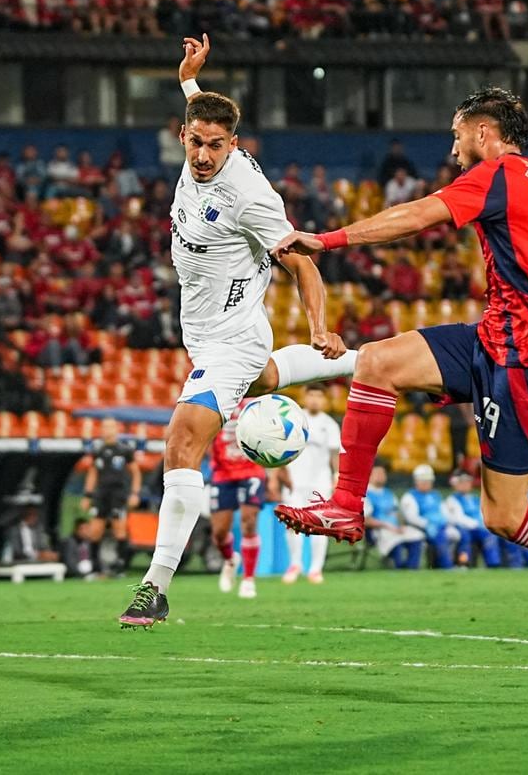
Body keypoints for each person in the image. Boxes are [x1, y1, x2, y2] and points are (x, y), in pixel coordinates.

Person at [273, 86, 528, 650]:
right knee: (376, 361)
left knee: (504, 516)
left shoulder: (500, 174)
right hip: (491, 339)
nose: (453, 147)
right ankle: (346, 506)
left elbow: (418, 215)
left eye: (457, 134)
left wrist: (327, 239)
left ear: (484, 133)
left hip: (526, 364)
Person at [120, 35, 357, 628]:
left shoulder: (248, 194)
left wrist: (319, 322)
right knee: (268, 378)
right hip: (203, 332)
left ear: (236, 147)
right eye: (196, 143)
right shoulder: (200, 139)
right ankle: (362, 361)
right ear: (183, 136)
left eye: (217, 147)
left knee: (180, 445)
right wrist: (188, 81)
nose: (204, 156)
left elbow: (301, 260)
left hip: (232, 337)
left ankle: (156, 587)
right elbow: (201, 108)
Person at [281, 384, 342, 584]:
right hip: (294, 481)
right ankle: (295, 564)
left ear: (324, 400)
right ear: (304, 397)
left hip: (320, 482)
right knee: (292, 524)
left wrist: (336, 477)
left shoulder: (330, 424)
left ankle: (315, 569)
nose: (315, 399)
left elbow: (335, 454)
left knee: (319, 526)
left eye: (319, 396)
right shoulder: (294, 420)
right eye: (311, 395)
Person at [207, 403, 267, 598]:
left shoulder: (257, 403)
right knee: (219, 533)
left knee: (249, 521)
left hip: (251, 469)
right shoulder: (218, 400)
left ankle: (249, 580)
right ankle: (230, 560)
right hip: (223, 473)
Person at [83, 419, 141, 575]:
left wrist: (135, 493)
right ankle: (94, 567)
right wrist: (87, 495)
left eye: (110, 427)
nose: (107, 430)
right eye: (104, 427)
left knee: (119, 530)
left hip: (118, 494)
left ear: (116, 429)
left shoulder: (124, 450)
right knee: (95, 530)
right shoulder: (98, 450)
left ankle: (120, 566)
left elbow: (135, 472)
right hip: (101, 494)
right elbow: (93, 472)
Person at [363, 465, 424, 569]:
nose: (381, 476)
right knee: (394, 540)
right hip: (378, 530)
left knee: (417, 535)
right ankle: (398, 566)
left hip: (395, 528)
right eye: (378, 473)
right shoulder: (365, 494)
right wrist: (387, 526)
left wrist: (400, 526)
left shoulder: (388, 493)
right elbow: (365, 520)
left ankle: (412, 567)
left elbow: (397, 513)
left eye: (383, 474)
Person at [400, 464, 457, 569]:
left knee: (459, 534)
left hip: (440, 526)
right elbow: (411, 517)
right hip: (421, 528)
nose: (427, 483)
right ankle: (447, 566)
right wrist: (427, 524)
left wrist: (445, 522)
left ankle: (462, 564)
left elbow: (444, 512)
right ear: (416, 481)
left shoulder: (435, 495)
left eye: (429, 480)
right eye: (423, 480)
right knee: (441, 537)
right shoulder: (410, 496)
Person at [444, 471, 501, 567]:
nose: (465, 485)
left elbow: (482, 513)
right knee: (465, 536)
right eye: (462, 483)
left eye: (467, 482)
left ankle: (493, 564)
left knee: (489, 535)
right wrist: (476, 524)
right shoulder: (452, 500)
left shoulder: (475, 499)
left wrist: (482, 524)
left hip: (477, 528)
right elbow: (458, 518)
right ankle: (464, 563)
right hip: (462, 528)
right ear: (456, 485)